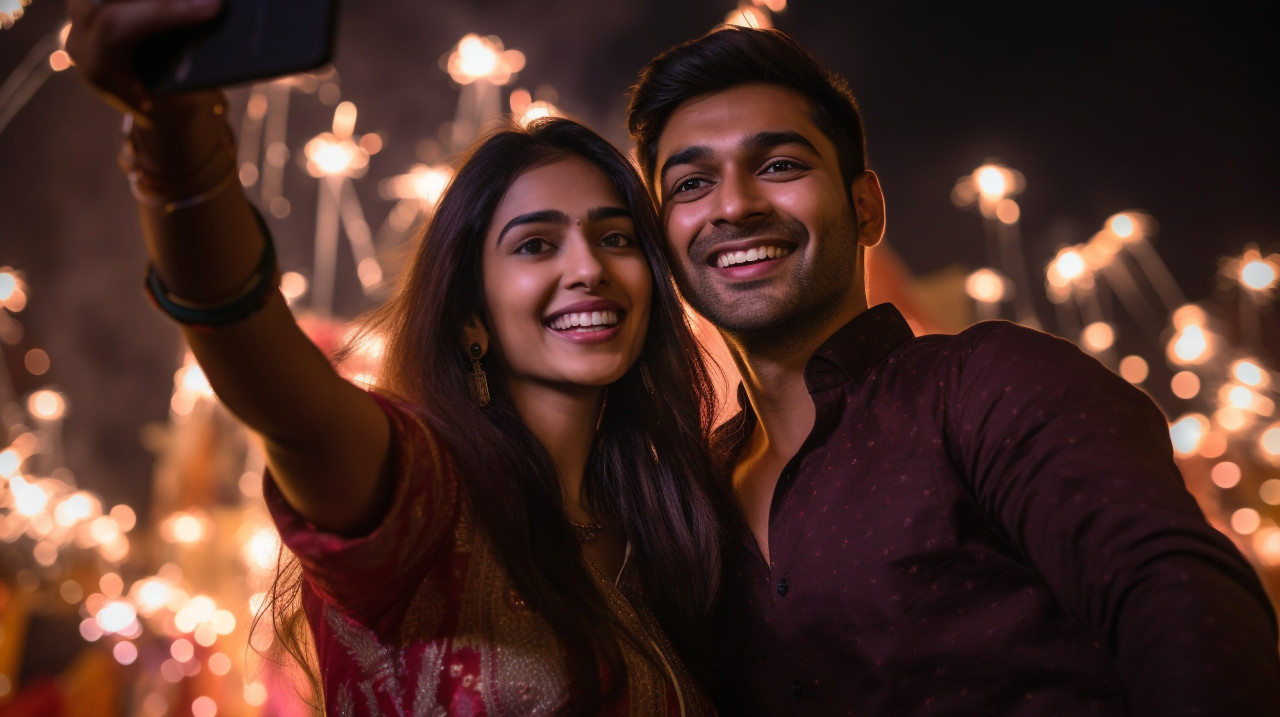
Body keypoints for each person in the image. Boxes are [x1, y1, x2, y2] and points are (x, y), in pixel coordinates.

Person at [66, 2, 727, 714]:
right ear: (471, 314)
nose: (589, 268)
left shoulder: (670, 530)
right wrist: (175, 138)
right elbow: (267, 372)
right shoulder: (422, 492)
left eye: (618, 238)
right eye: (536, 244)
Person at [627, 25, 1280, 716]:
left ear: (866, 206)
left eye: (781, 166)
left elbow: (1182, 603)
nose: (734, 205)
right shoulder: (690, 500)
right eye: (693, 183)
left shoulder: (988, 384)